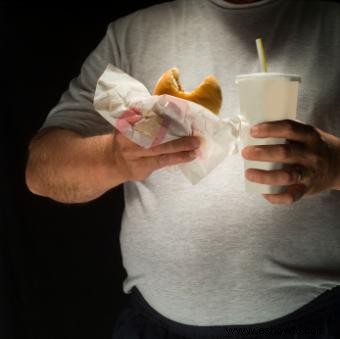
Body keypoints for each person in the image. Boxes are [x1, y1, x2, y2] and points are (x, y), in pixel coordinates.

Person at [25, 0, 340, 338]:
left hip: (318, 320)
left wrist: (335, 164)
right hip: (153, 327)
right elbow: (42, 173)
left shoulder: (331, 24)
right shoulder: (130, 35)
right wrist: (113, 157)